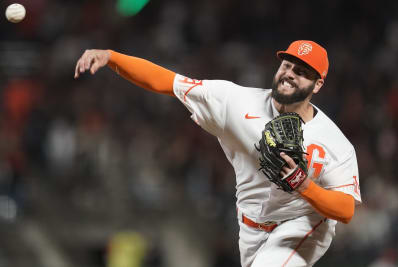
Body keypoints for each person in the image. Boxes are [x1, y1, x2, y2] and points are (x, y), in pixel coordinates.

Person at [74, 40, 361, 267]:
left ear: (318, 84)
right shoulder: (235, 101)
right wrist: (111, 57)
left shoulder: (334, 143)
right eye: (287, 65)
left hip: (303, 224)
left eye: (302, 72)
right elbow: (168, 82)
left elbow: (346, 210)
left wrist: (305, 186)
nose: (290, 74)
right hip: (250, 225)